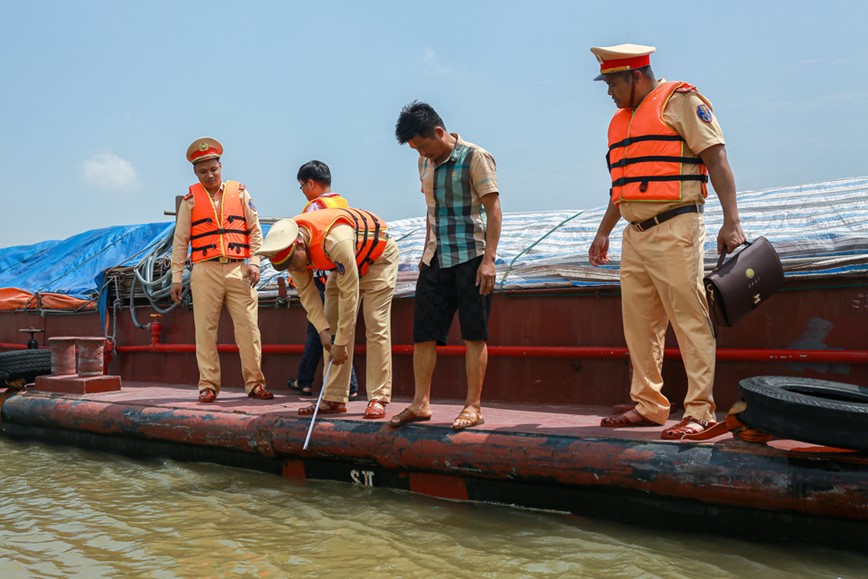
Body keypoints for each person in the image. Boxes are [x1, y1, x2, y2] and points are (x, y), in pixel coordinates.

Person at [586, 44, 746, 439]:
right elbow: (621, 185)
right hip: (634, 235)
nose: (609, 92)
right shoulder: (620, 121)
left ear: (635, 77)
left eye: (612, 83)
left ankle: (700, 411)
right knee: (639, 325)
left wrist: (732, 222)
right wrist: (604, 230)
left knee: (689, 318)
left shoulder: (681, 102)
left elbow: (717, 159)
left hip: (677, 227)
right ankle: (649, 404)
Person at [390, 101, 502, 431]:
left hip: (471, 257)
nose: (422, 154)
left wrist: (490, 261)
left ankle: (473, 406)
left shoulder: (475, 157)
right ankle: (420, 403)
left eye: (423, 146)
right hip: (435, 259)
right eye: (415, 149)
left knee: (474, 335)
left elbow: (493, 211)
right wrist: (426, 253)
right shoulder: (423, 162)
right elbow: (431, 210)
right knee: (423, 334)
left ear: (439, 132)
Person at [256, 207, 399, 419]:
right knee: (330, 330)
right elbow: (306, 293)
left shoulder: (335, 240)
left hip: (377, 259)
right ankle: (333, 398)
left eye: (293, 263)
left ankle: (378, 397)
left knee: (376, 324)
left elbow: (350, 293)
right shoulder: (290, 250)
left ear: (301, 245)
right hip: (341, 268)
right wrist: (323, 329)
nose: (294, 269)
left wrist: (341, 343)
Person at [170, 137, 274, 403]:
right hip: (205, 271)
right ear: (195, 173)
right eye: (203, 171)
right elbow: (180, 241)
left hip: (240, 270)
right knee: (205, 330)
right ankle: (208, 385)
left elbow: (255, 232)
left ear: (221, 166)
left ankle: (255, 384)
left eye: (213, 169)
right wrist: (176, 278)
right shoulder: (191, 201)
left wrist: (254, 263)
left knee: (249, 329)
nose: (210, 175)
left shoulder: (240, 193)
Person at [286, 160, 359, 399]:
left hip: (324, 277)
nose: (303, 192)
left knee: (324, 329)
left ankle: (337, 383)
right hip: (341, 272)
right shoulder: (342, 204)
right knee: (329, 329)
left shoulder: (314, 209)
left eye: (302, 187)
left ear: (311, 183)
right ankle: (306, 379)